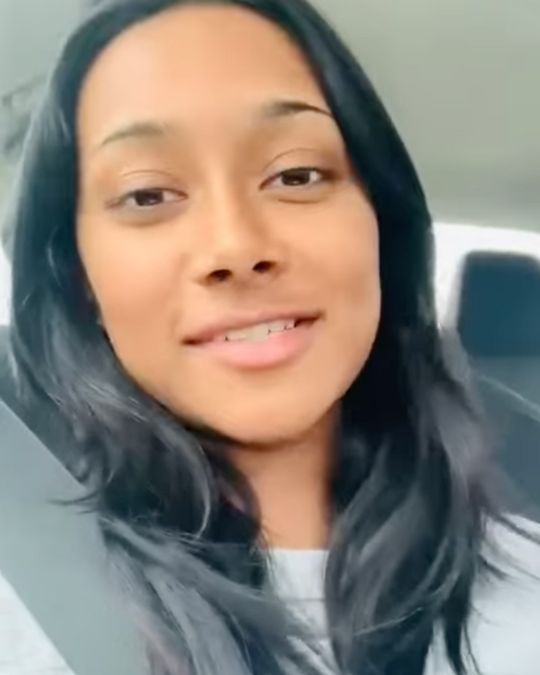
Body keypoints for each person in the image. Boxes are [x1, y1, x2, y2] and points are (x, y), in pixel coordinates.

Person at [3, 0, 540, 673]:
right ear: (80, 277)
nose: (235, 247)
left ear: (381, 227)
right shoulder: (24, 610)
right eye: (147, 195)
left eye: (296, 175)